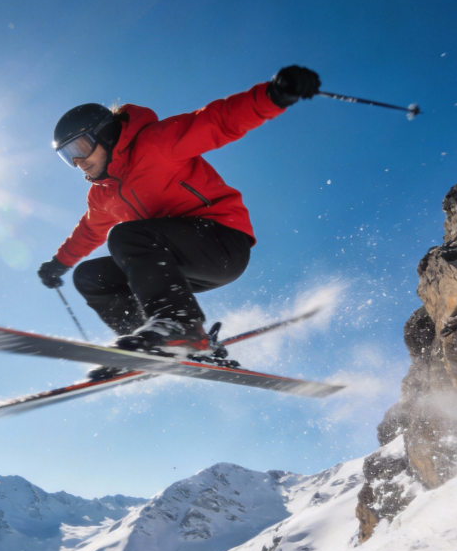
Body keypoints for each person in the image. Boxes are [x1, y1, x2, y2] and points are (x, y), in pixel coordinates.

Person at [37, 65, 321, 377]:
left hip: (222, 243)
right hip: (176, 266)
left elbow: (218, 121)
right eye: (67, 156)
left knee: (125, 236)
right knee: (91, 277)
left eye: (79, 147)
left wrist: (273, 95)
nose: (77, 161)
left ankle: (180, 328)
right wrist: (59, 264)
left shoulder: (157, 143)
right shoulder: (102, 195)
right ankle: (150, 343)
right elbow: (88, 232)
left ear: (104, 133)